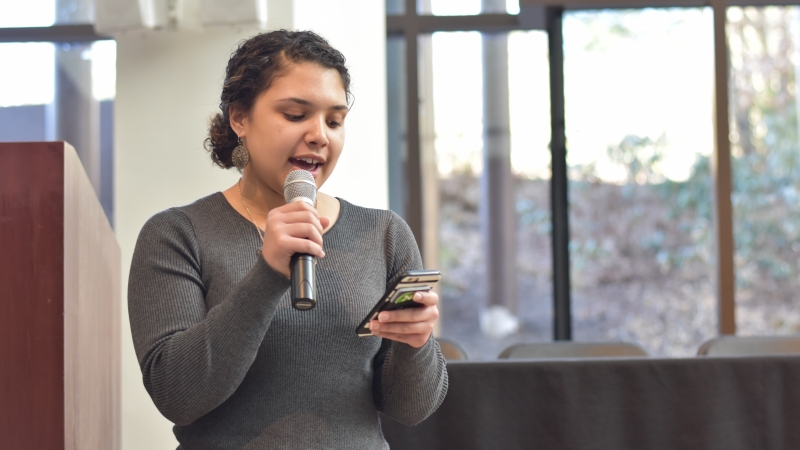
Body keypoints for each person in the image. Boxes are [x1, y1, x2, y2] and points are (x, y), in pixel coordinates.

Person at [128, 30, 448, 449]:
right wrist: (267, 274)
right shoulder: (177, 234)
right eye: (296, 115)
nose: (320, 135)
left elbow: (411, 410)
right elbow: (178, 395)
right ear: (239, 118)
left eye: (334, 121)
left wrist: (417, 343)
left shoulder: (384, 234)